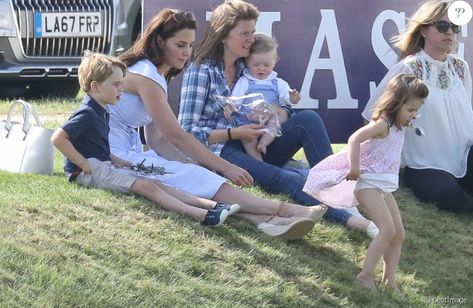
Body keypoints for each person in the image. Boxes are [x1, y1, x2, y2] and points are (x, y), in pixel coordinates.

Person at [105, 8, 328, 239]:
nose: (186, 53)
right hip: (111, 155)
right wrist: (224, 166)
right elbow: (176, 135)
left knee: (193, 174)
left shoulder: (157, 75)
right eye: (180, 45)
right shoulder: (147, 76)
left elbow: (156, 140)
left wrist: (194, 162)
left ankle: (266, 221)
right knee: (195, 176)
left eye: (190, 46)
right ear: (160, 42)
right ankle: (284, 209)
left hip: (127, 151)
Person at [179, 0, 377, 237]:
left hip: (260, 140)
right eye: (244, 33)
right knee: (287, 179)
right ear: (223, 35)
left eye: (252, 32)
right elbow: (186, 131)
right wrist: (235, 133)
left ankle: (338, 190)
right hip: (222, 150)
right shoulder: (202, 70)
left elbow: (283, 107)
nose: (251, 39)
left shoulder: (248, 64)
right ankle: (350, 220)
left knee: (309, 119)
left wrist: (278, 112)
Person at [51, 51, 241, 227]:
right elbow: (58, 138)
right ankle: (202, 215)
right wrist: (83, 164)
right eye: (116, 84)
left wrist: (117, 160)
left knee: (153, 180)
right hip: (87, 172)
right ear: (95, 86)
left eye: (122, 83)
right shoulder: (87, 113)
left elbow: (93, 144)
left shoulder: (102, 111)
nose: (121, 90)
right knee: (146, 186)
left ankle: (211, 205)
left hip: (101, 164)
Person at [305, 74, 428, 290]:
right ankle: (365, 275)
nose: (413, 115)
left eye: (416, 110)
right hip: (368, 184)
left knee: (399, 233)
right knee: (387, 230)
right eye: (410, 110)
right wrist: (354, 167)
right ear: (396, 103)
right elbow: (355, 139)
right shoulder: (382, 124)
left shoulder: (400, 126)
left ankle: (389, 280)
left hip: (384, 187)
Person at [362, 0, 473, 213]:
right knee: (452, 198)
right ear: (423, 30)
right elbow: (371, 115)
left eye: (454, 27)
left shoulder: (461, 68)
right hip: (424, 165)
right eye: (442, 26)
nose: (449, 32)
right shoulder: (408, 68)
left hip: (465, 159)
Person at [228, 33, 301, 161]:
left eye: (266, 65)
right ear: (247, 61)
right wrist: (232, 107)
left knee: (275, 122)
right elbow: (236, 98)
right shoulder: (245, 81)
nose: (261, 69)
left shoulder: (278, 82)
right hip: (249, 121)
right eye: (255, 65)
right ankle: (260, 164)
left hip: (268, 120)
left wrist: (292, 98)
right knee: (247, 140)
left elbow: (286, 99)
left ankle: (263, 144)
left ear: (275, 61)